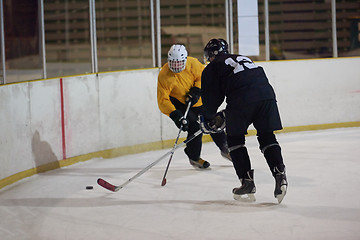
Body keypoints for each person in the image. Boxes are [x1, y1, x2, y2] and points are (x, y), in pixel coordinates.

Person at [200, 38, 288, 203]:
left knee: (234, 139)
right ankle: (280, 176)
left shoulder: (213, 66)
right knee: (267, 136)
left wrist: (209, 117)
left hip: (243, 98)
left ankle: (247, 182)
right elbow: (247, 82)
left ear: (210, 55)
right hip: (267, 95)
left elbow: (212, 98)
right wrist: (228, 113)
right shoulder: (242, 58)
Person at [157, 44, 231, 169]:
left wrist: (197, 89)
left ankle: (226, 149)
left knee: (212, 121)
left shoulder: (193, 63)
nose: (176, 66)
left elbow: (204, 76)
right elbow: (163, 100)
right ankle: (194, 157)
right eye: (173, 63)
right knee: (194, 127)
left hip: (198, 99)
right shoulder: (164, 75)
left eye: (179, 63)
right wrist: (176, 116)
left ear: (185, 59)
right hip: (179, 103)